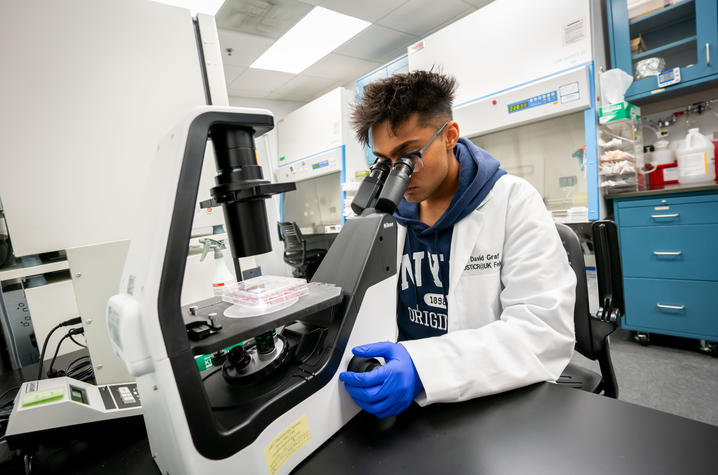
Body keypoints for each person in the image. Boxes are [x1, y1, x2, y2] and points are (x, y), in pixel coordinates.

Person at [338, 70, 576, 419]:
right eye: (387, 162)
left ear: (449, 136)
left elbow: (542, 332)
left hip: (488, 399)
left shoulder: (512, 201)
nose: (400, 175)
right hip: (397, 399)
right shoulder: (380, 215)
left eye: (409, 156)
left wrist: (423, 368)